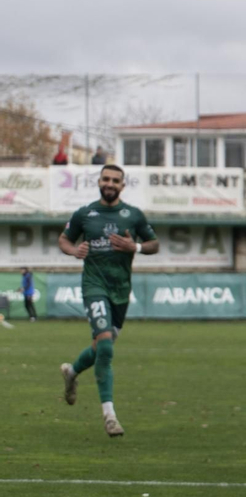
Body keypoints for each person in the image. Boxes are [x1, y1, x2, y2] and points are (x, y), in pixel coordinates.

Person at [57, 164, 159, 437]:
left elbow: (154, 243)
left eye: (116, 180)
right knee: (105, 346)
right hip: (94, 286)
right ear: (99, 182)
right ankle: (110, 416)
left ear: (122, 185)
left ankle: (72, 371)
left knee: (101, 348)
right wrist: (74, 251)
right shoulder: (85, 213)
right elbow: (64, 239)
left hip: (120, 290)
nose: (110, 183)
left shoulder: (133, 215)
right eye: (106, 179)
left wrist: (134, 246)